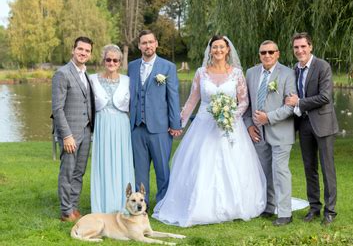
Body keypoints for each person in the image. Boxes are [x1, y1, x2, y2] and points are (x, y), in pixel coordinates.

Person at [152, 35, 267, 227]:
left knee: (234, 165)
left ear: (228, 50)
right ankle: (199, 207)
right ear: (210, 50)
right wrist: (179, 122)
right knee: (202, 163)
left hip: (230, 126)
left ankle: (236, 205)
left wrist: (230, 116)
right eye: (215, 47)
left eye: (222, 47)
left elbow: (244, 101)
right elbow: (192, 100)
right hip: (204, 125)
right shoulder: (201, 72)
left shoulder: (237, 73)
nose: (218, 50)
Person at [244, 40, 308, 226]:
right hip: (258, 133)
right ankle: (268, 207)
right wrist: (249, 125)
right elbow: (245, 104)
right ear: (259, 55)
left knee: (280, 171)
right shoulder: (251, 73)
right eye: (263, 52)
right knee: (264, 173)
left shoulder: (288, 74)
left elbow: (290, 106)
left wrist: (268, 118)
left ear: (278, 54)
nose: (267, 55)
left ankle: (285, 213)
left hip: (281, 132)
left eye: (271, 52)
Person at [285, 32, 339, 225]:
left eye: (303, 47)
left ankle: (330, 211)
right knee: (310, 168)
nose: (299, 51)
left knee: (327, 168)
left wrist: (299, 101)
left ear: (310, 47)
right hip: (304, 124)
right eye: (296, 47)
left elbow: (325, 97)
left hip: (323, 124)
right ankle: (314, 207)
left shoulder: (322, 66)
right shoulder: (294, 69)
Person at [128, 30, 181, 205]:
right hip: (137, 127)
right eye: (144, 43)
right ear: (139, 46)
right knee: (140, 172)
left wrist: (175, 124)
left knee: (162, 171)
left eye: (151, 42)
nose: (148, 45)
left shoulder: (168, 67)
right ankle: (142, 206)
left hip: (160, 127)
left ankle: (163, 205)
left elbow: (173, 97)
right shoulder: (132, 66)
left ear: (156, 43)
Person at [52, 36, 95, 222]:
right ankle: (65, 211)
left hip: (86, 131)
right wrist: (67, 136)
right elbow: (57, 108)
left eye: (87, 50)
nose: (83, 53)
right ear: (73, 50)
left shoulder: (85, 74)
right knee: (67, 172)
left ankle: (74, 207)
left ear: (90, 54)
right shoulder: (62, 73)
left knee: (79, 172)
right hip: (70, 133)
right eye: (80, 49)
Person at [89, 44, 135, 213]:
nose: (111, 62)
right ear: (103, 60)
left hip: (121, 126)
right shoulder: (92, 79)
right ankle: (102, 205)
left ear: (120, 62)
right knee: (103, 163)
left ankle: (122, 204)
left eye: (115, 60)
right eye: (108, 59)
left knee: (121, 162)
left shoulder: (127, 80)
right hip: (102, 125)